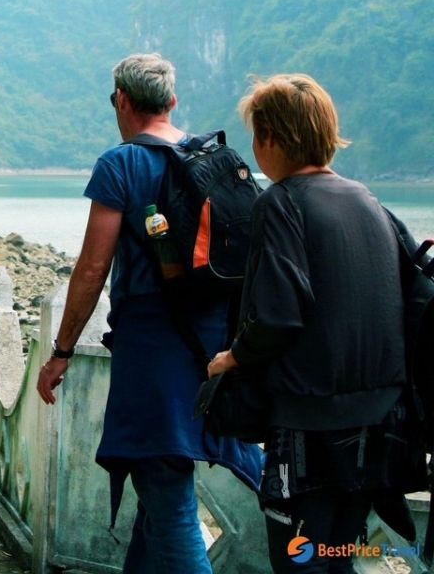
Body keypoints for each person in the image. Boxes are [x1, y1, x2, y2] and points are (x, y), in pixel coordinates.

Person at [35, 53, 262, 572]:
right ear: (173, 101)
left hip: (153, 351)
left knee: (166, 487)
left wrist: (62, 351)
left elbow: (93, 269)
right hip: (213, 346)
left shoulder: (121, 164)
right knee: (157, 486)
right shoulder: (210, 159)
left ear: (121, 99)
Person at [207, 74, 421, 572]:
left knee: (298, 557)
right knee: (339, 554)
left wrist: (231, 357)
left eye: (257, 135)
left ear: (272, 138)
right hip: (378, 420)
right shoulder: (370, 202)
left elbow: (278, 315)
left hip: (309, 422)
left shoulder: (281, 203)